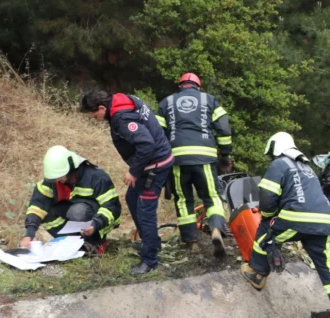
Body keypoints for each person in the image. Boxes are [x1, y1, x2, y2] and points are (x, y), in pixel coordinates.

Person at [240, 132, 330, 317]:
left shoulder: (279, 164)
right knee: (329, 263)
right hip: (324, 222)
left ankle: (257, 274)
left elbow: (267, 198)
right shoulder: (307, 168)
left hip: (296, 219)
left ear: (277, 148)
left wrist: (268, 216)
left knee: (266, 230)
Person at [80, 91, 174, 275]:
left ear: (101, 108)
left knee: (145, 210)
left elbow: (146, 144)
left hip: (155, 165)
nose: (96, 119)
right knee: (132, 198)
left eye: (95, 116)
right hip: (150, 162)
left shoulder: (121, 118)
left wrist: (133, 171)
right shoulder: (121, 100)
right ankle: (151, 243)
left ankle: (150, 260)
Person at [156, 73, 232, 258]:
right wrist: (225, 153)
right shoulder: (209, 100)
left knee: (183, 200)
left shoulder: (166, 102)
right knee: (212, 196)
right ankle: (216, 229)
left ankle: (191, 242)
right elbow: (224, 127)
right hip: (204, 157)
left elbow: (157, 133)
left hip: (177, 160)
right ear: (199, 86)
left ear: (180, 85)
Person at [20, 145, 121, 255]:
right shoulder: (53, 180)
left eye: (60, 176)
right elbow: (37, 206)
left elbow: (111, 206)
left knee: (78, 211)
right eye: (55, 177)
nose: (57, 180)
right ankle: (70, 241)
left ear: (71, 168)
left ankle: (95, 243)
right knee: (45, 212)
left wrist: (95, 224)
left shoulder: (96, 177)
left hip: (97, 220)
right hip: (74, 215)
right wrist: (30, 233)